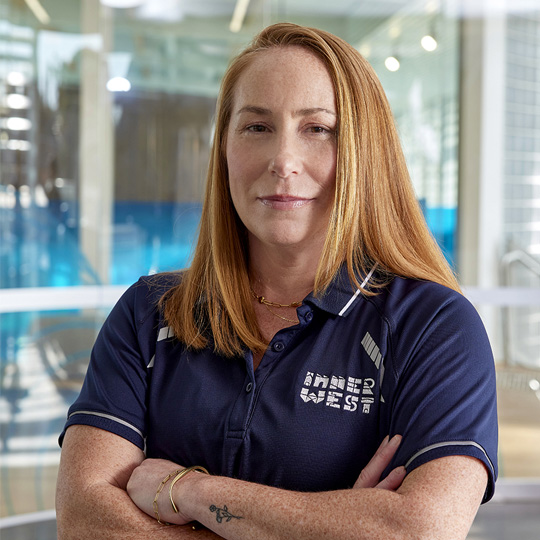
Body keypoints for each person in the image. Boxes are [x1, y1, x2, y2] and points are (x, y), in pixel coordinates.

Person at [56, 22, 498, 539]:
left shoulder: (434, 326)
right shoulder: (149, 312)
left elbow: (417, 530)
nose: (283, 161)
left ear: (364, 154)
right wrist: (327, 526)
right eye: (257, 128)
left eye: (318, 129)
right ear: (224, 149)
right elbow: (84, 519)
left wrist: (191, 492)